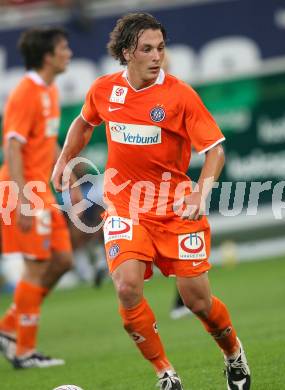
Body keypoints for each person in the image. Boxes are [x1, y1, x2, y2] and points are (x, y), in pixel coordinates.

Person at [52, 13, 251, 390]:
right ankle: (165, 373)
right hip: (125, 207)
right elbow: (83, 123)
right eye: (147, 49)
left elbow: (215, 152)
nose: (157, 56)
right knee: (127, 288)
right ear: (127, 52)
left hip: (175, 210)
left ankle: (233, 354)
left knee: (198, 303)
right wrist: (63, 160)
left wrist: (200, 191)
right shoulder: (104, 90)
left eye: (161, 47)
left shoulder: (180, 95)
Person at [0, 27, 79, 369]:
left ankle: (7, 329)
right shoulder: (25, 93)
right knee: (34, 269)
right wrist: (21, 198)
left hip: (42, 191)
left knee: (63, 261)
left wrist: (69, 173)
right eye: (64, 48)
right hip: (24, 190)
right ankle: (23, 351)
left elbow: (47, 141)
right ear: (48, 56)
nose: (69, 53)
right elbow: (12, 146)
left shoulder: (50, 89)